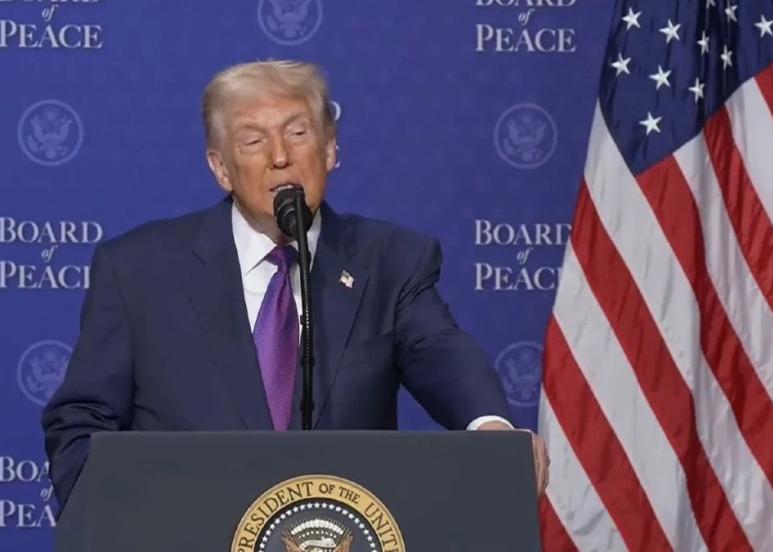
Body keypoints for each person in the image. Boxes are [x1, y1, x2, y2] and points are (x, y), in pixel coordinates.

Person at [41, 60, 549, 509]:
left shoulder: (389, 262)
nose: (279, 156)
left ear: (330, 150)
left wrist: (491, 428)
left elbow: (439, 350)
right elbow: (83, 419)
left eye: (298, 133)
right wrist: (114, 522)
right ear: (221, 168)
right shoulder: (140, 270)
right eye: (253, 141)